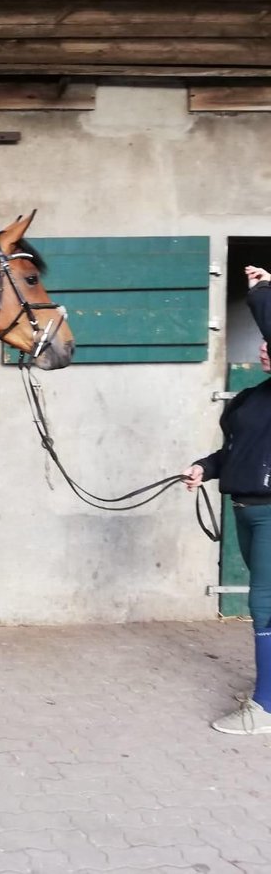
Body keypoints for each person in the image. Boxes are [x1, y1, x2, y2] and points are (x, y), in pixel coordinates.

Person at [182, 264, 271, 734]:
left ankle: (266, 708)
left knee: (263, 604)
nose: (263, 346)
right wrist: (205, 467)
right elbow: (233, 451)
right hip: (245, 511)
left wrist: (263, 293)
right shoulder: (249, 399)